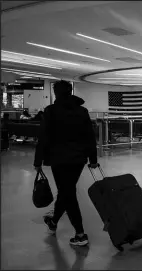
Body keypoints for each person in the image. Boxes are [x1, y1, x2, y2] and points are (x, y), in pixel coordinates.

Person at [33, 80, 97, 246]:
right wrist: (93, 159)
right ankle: (53, 222)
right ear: (70, 91)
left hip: (58, 159)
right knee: (66, 191)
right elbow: (90, 136)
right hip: (78, 159)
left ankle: (80, 234)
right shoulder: (82, 111)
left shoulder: (51, 111)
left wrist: (37, 161)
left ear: (56, 93)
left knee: (67, 193)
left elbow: (43, 137)